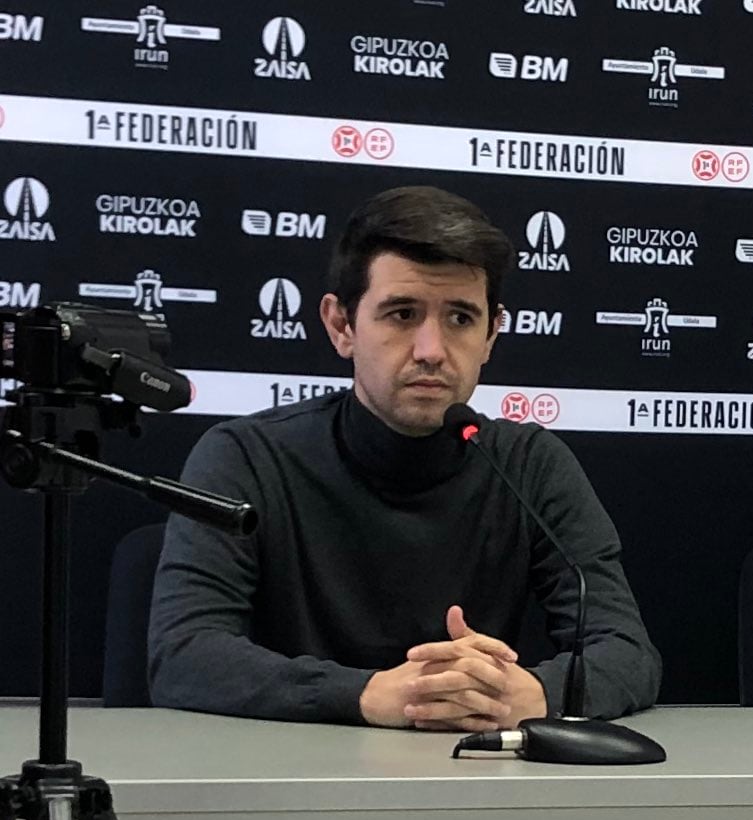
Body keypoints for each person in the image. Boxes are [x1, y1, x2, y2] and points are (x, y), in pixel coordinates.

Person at [149, 186, 660, 730]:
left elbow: (627, 652)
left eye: (461, 319)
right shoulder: (246, 458)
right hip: (289, 785)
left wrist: (528, 693)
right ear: (341, 326)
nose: (431, 350)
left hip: (477, 785)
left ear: (491, 335)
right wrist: (371, 694)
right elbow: (184, 654)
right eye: (401, 314)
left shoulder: (530, 465)